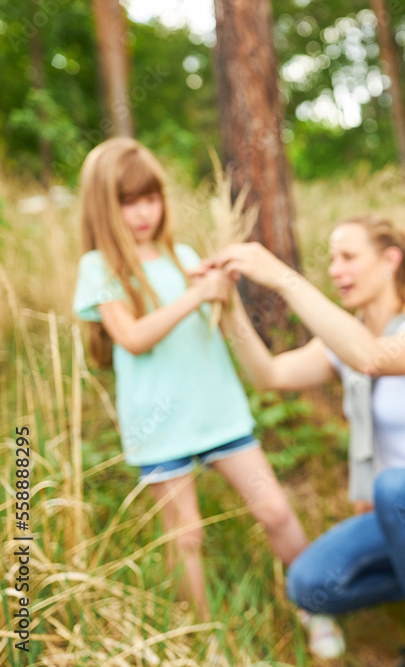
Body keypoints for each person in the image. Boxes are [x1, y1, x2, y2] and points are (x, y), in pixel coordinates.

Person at [212, 214, 405, 667]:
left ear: (390, 261)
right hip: (401, 511)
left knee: (394, 486)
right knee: (309, 583)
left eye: (348, 257)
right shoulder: (343, 343)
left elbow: (372, 357)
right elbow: (270, 375)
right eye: (332, 259)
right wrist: (227, 308)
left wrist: (280, 276)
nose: (335, 270)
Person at [71, 138, 309, 624]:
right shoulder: (100, 267)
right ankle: (203, 637)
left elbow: (218, 320)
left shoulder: (182, 255)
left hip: (218, 411)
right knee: (186, 538)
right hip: (159, 426)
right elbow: (133, 337)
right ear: (104, 206)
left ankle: (316, 603)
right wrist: (194, 294)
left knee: (275, 511)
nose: (142, 213)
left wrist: (218, 289)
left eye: (150, 198)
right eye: (127, 202)